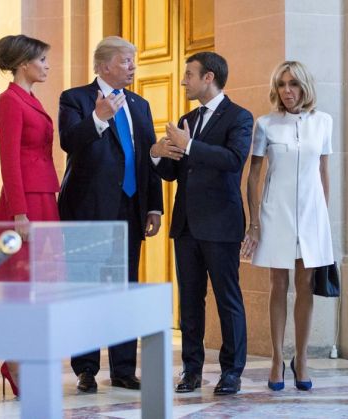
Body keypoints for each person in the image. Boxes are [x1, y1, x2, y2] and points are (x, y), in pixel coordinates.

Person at [58, 36, 163, 393]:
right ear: (104, 65)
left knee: (125, 288)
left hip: (130, 207)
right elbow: (69, 141)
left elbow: (147, 155)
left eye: (133, 60)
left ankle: (123, 369)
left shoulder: (140, 104)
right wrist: (98, 118)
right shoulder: (75, 98)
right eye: (125, 60)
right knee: (85, 289)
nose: (133, 66)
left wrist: (153, 204)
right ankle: (86, 369)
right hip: (88, 208)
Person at [150, 51, 253, 395]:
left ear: (209, 77)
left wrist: (189, 144)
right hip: (186, 225)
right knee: (190, 302)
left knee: (227, 299)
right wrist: (157, 154)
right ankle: (191, 370)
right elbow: (173, 172)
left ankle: (231, 372)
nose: (183, 81)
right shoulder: (187, 118)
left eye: (189, 75)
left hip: (221, 223)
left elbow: (233, 160)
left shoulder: (239, 117)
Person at [240, 61, 334, 391]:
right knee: (277, 283)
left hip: (311, 214)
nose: (287, 90)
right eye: (281, 84)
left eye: (293, 83)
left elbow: (323, 172)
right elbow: (253, 176)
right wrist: (254, 222)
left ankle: (302, 358)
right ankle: (277, 359)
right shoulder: (265, 124)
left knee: (305, 284)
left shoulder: (323, 122)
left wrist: (323, 218)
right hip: (274, 212)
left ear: (304, 86)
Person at [0, 34, 61, 397]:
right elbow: (9, 162)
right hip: (25, 204)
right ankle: (15, 363)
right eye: (42, 60)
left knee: (42, 283)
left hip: (44, 196)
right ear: (23, 63)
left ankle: (30, 360)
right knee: (20, 284)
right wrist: (19, 212)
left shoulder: (30, 99)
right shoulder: (9, 101)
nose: (47, 65)